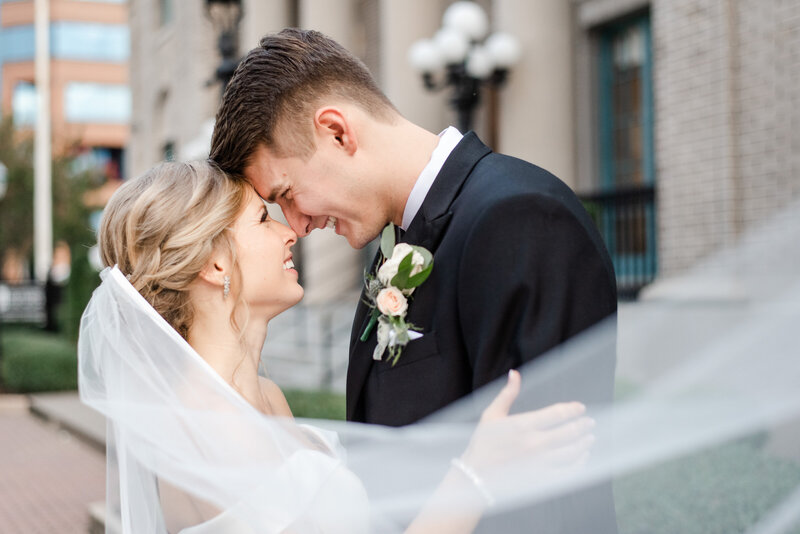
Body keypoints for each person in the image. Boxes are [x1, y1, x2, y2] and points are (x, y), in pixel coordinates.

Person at [209, 28, 618, 531]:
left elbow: (540, 490)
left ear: (337, 132)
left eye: (289, 192)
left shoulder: (520, 219)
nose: (298, 225)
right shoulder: (392, 249)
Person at [79, 160, 594, 533]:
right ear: (215, 265)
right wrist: (477, 474)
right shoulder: (211, 426)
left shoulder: (264, 398)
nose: (288, 233)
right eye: (263, 219)